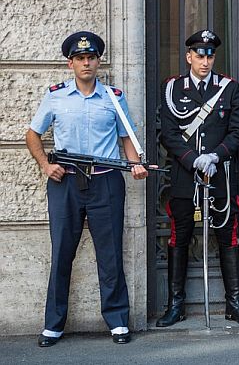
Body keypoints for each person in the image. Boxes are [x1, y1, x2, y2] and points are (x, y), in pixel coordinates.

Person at [26, 31, 149, 346]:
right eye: (80, 58)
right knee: (62, 254)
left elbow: (126, 139)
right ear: (71, 63)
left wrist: (135, 164)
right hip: (65, 182)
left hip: (106, 180)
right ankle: (53, 324)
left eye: (91, 58)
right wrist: (44, 164)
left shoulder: (114, 97)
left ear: (98, 61)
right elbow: (33, 134)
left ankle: (118, 321)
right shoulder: (55, 96)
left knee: (110, 255)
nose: (86, 63)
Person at [158, 30, 239, 327]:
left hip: (220, 175)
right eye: (199, 55)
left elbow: (238, 131)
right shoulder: (173, 88)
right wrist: (191, 159)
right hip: (185, 177)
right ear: (189, 56)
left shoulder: (229, 88)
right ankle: (176, 305)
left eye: (210, 55)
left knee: (228, 236)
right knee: (180, 236)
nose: (205, 60)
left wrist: (215, 156)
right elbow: (168, 133)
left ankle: (234, 303)